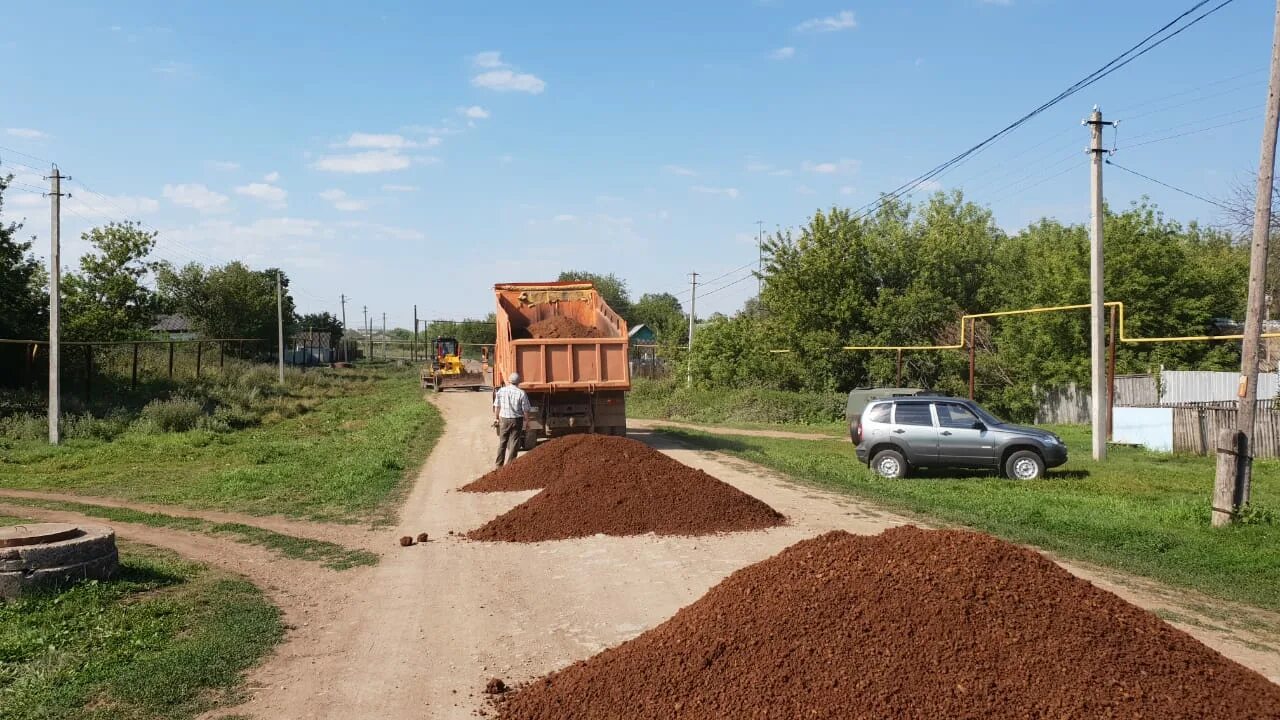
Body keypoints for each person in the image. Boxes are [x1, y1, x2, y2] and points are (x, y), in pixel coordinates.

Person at [493, 372, 532, 468]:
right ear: (519, 382)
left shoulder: (501, 391)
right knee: (514, 442)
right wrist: (527, 422)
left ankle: (499, 465)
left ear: (509, 381)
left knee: (503, 442)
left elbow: (497, 406)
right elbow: (526, 410)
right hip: (516, 420)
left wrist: (496, 418)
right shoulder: (521, 393)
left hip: (504, 420)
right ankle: (510, 465)